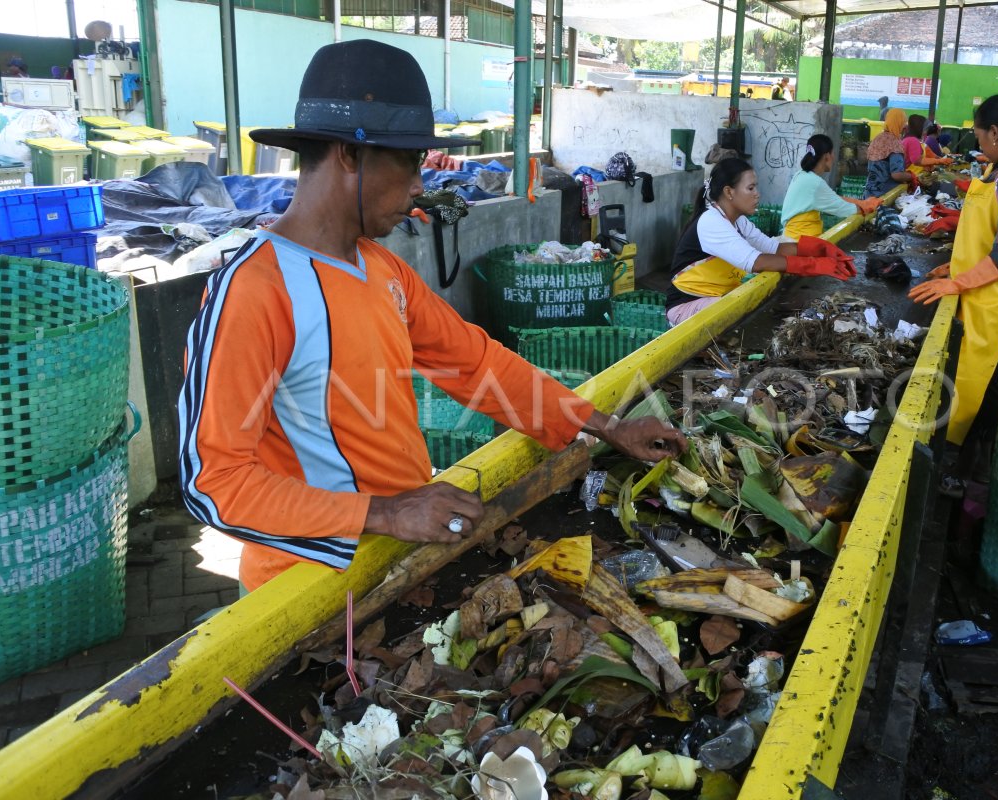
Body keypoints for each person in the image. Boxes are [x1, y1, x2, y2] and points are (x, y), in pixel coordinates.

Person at [178, 40, 686, 592]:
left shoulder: (382, 269)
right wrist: (386, 512)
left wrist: (610, 428)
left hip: (395, 564)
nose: (421, 185)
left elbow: (475, 363)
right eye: (407, 162)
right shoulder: (254, 290)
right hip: (305, 589)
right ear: (349, 154)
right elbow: (213, 484)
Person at [908, 93, 998, 496]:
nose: (977, 138)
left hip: (993, 299)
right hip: (975, 288)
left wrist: (957, 282)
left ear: (997, 133)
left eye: (979, 132)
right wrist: (955, 266)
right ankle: (970, 465)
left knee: (979, 385)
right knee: (973, 382)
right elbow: (987, 237)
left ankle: (963, 474)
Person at [665, 157, 855, 327]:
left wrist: (822, 249)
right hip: (687, 306)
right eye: (750, 188)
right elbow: (756, 262)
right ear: (729, 192)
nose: (757, 194)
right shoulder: (711, 221)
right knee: (737, 311)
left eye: (756, 187)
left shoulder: (737, 221)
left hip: (713, 297)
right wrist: (814, 265)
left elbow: (774, 248)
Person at [780, 134, 882, 239]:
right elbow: (844, 209)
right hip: (797, 242)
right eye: (833, 153)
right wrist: (868, 207)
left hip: (795, 238)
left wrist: (862, 203)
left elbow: (834, 198)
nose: (834, 157)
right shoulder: (815, 183)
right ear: (827, 156)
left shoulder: (801, 175)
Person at [864, 108, 916, 198]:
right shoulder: (894, 143)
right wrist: (911, 176)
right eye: (904, 122)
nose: (905, 127)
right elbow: (897, 175)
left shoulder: (878, 138)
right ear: (900, 123)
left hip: (869, 193)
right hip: (885, 195)